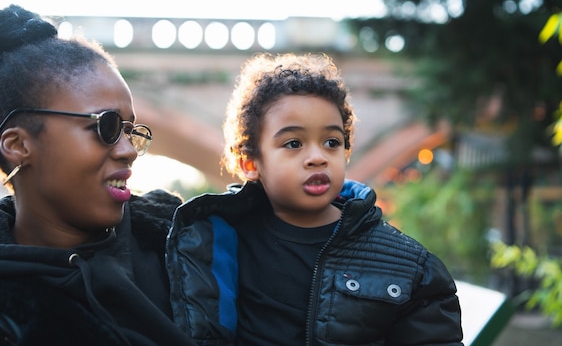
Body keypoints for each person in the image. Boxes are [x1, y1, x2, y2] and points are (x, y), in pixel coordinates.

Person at [0, 5, 197, 346]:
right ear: (18, 145)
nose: (129, 150)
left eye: (131, 131)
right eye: (107, 126)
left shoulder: (185, 246)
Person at [166, 52, 464, 345]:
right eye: (294, 143)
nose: (317, 157)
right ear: (251, 164)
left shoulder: (409, 266)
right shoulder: (215, 242)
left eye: (331, 142)